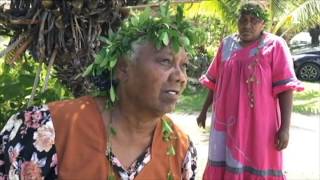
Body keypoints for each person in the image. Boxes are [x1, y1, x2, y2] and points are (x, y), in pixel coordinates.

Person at [0, 5, 198, 180]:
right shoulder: (43, 131)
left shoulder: (181, 150)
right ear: (123, 69)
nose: (180, 77)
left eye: (184, 66)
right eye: (165, 61)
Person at [196, 2, 304, 180]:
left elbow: (285, 89)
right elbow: (215, 81)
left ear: (263, 23)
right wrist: (203, 111)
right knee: (226, 158)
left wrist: (284, 128)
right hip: (225, 119)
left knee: (258, 161)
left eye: (253, 21)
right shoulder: (226, 45)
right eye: (243, 20)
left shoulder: (275, 46)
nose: (247, 25)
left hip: (259, 123)